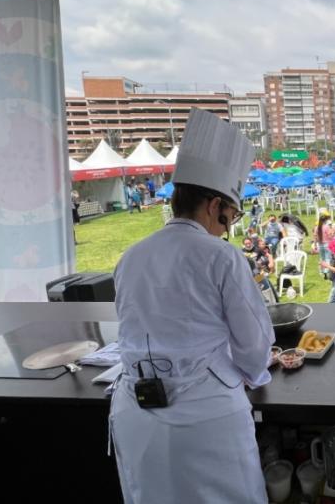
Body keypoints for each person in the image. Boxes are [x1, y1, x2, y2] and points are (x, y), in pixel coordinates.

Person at [110, 109, 273, 503]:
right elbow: (255, 348)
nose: (227, 228)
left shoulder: (130, 256)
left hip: (134, 414)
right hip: (206, 420)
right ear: (214, 204)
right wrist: (254, 370)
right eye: (229, 217)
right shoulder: (221, 256)